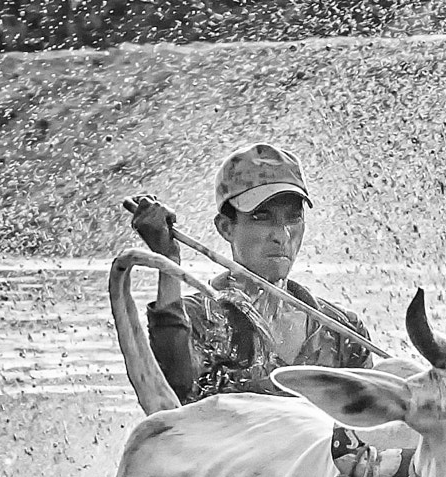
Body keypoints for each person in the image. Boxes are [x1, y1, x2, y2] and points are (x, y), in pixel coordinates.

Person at [125, 143, 373, 404]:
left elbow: (376, 430)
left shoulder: (342, 332)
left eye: (293, 217)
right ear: (226, 228)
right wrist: (168, 261)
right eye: (261, 217)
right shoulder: (195, 320)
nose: (282, 234)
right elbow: (171, 394)